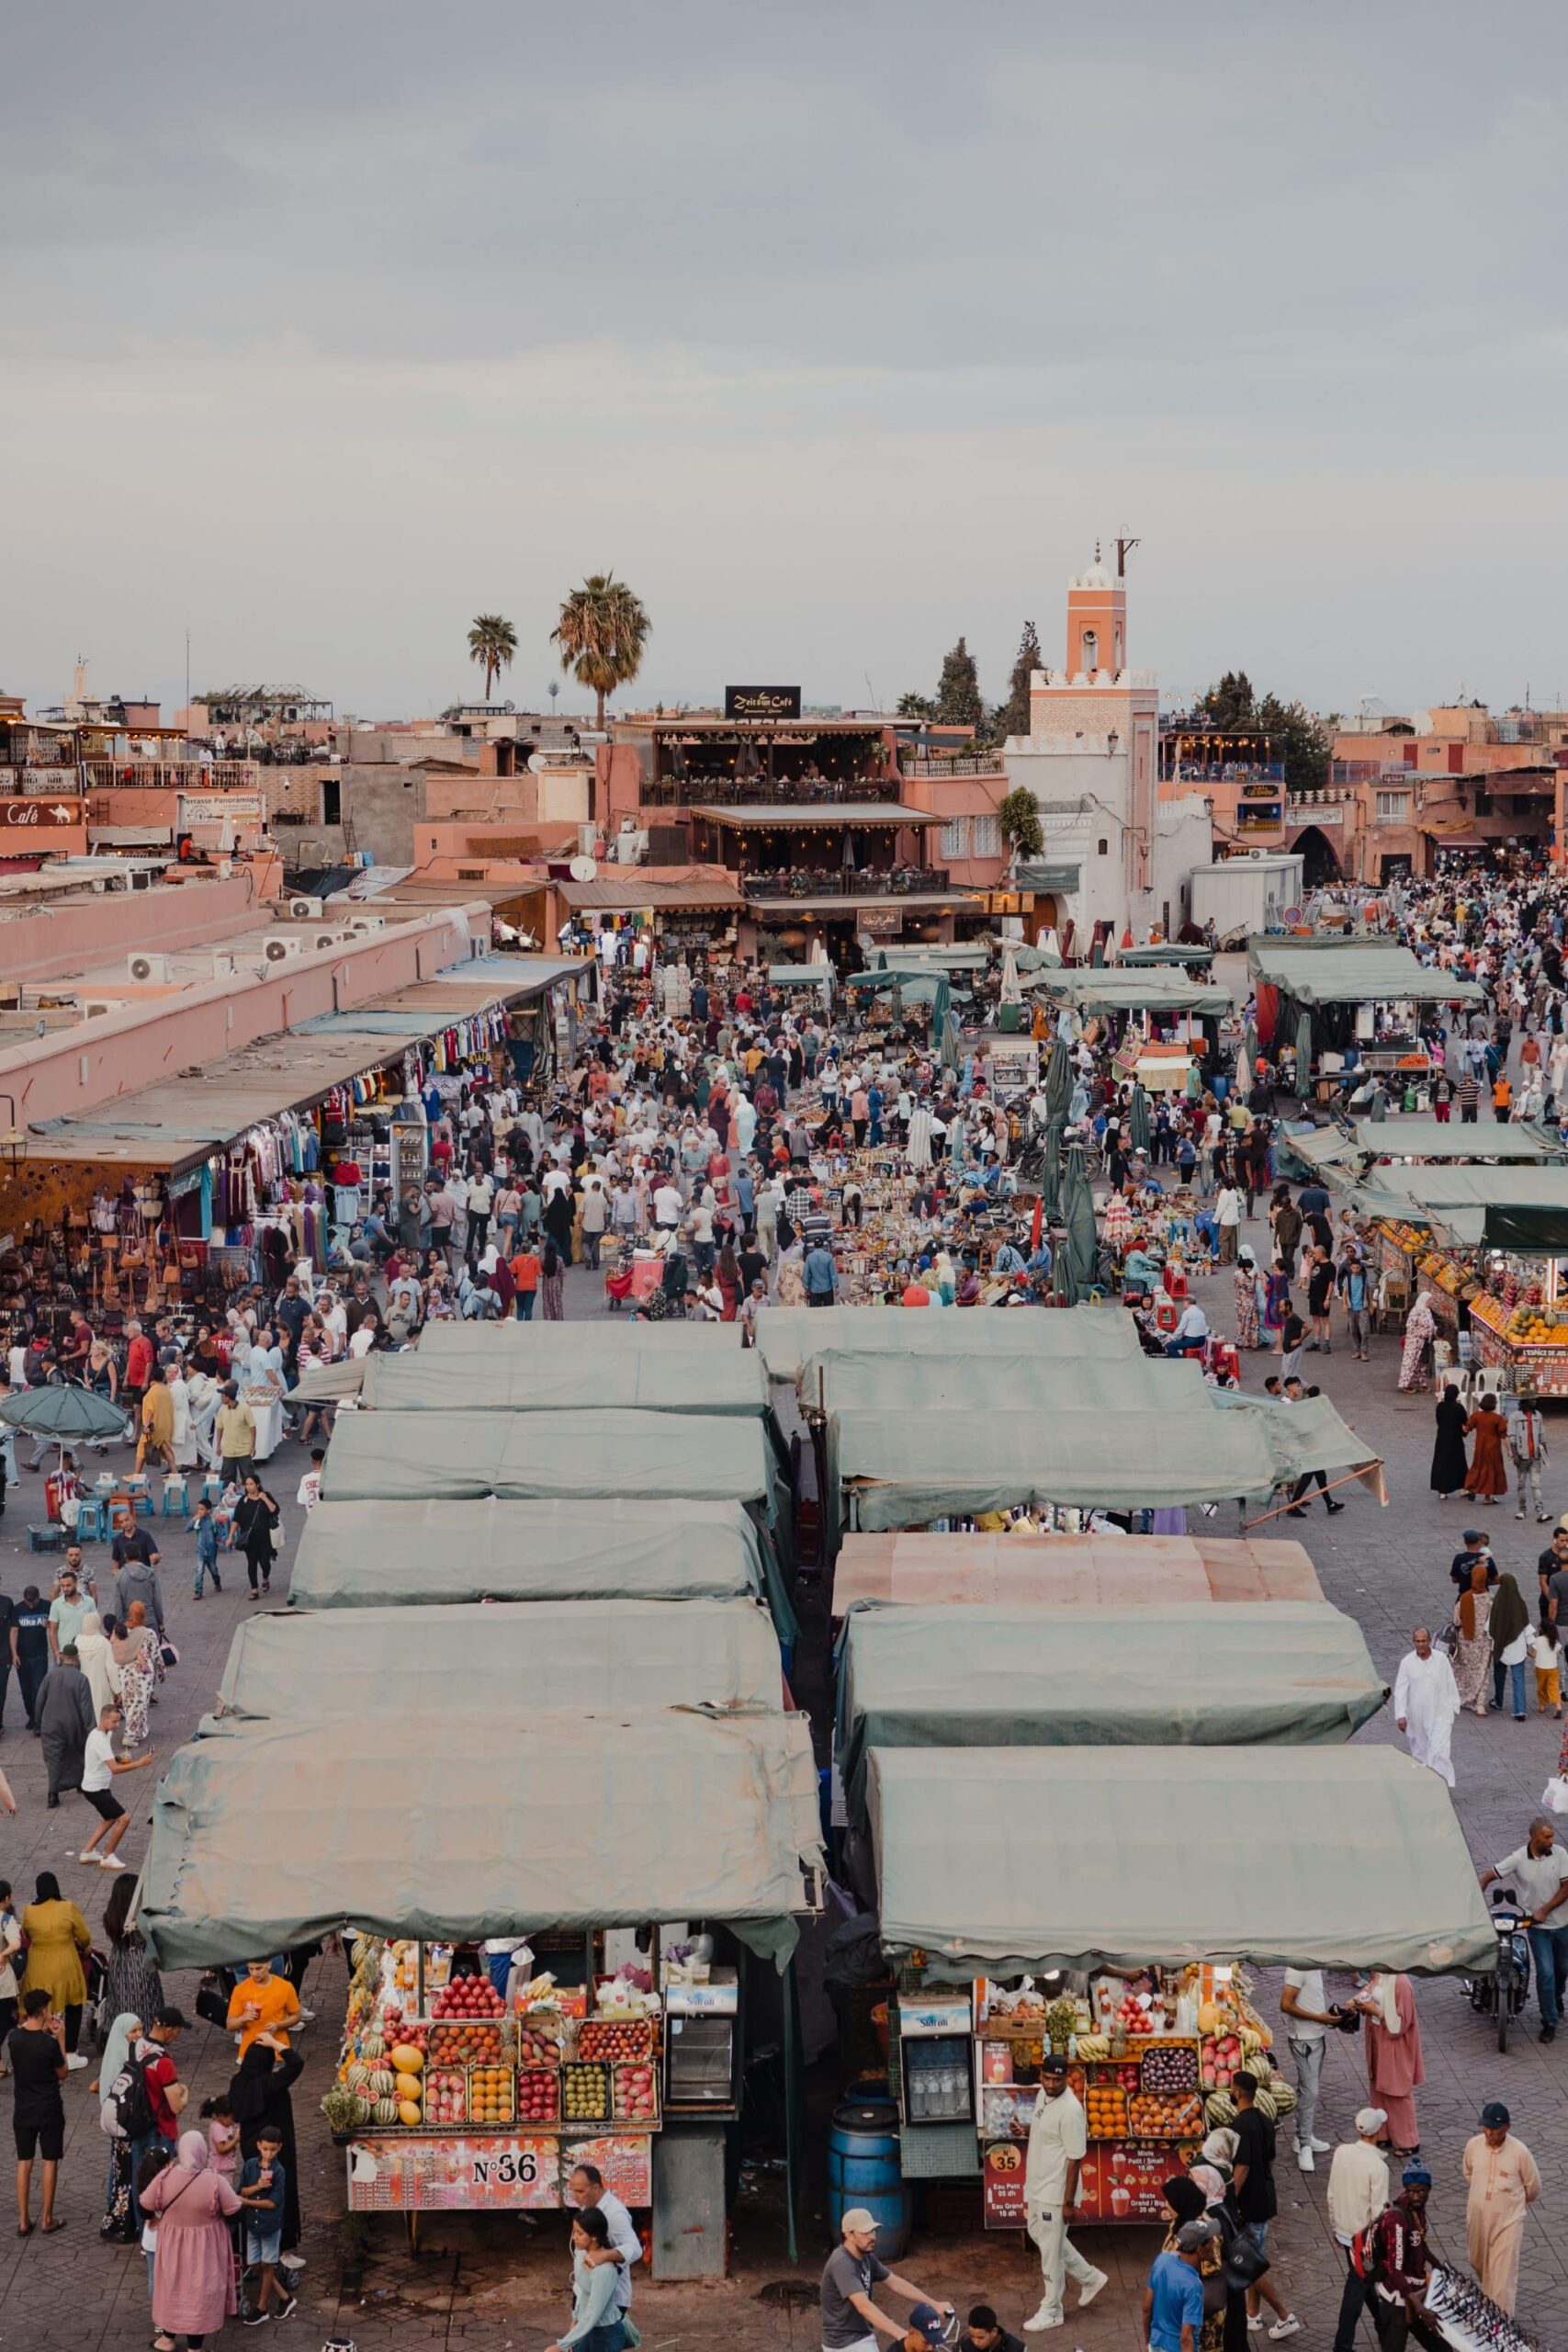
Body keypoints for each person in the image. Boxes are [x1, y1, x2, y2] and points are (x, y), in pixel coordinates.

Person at [1021, 2050, 1107, 2330]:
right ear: (1041, 2076)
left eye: (1057, 2080)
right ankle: (1090, 2277)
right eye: (1047, 2078)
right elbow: (1045, 2132)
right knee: (1041, 2236)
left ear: (1066, 2079)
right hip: (1036, 2184)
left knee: (1050, 2253)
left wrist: (1068, 2201)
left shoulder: (1072, 2111)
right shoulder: (1042, 2095)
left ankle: (1052, 2309)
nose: (1051, 2084)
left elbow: (1074, 2159)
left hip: (1055, 2191)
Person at [141, 2131, 243, 2352]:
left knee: (172, 2289)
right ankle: (195, 2348)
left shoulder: (165, 2177)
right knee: (199, 2294)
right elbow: (235, 2212)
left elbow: (144, 2206)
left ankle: (166, 2340)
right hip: (205, 2249)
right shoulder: (214, 2181)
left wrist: (157, 2219)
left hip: (172, 2247)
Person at [1480, 1816, 1568, 2041]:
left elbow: (1567, 1888)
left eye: (1552, 1836)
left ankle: (1556, 1998)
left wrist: (1545, 1910)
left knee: (1562, 1970)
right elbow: (1491, 1874)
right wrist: (1478, 1891)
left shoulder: (1560, 1854)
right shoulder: (1519, 1858)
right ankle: (1549, 2021)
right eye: (1546, 1837)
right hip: (1537, 1928)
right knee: (1546, 1973)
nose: (1552, 1840)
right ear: (1534, 1837)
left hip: (1562, 1925)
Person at [818, 2207, 952, 2352]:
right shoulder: (842, 2262)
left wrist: (934, 2304)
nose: (873, 2237)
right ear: (849, 2235)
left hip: (863, 2334)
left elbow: (895, 2283)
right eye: (865, 2232)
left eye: (873, 2231)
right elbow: (864, 2307)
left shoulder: (866, 2257)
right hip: (843, 2343)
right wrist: (899, 2333)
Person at [1228, 2070, 1300, 2337]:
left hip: (1249, 2203)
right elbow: (1270, 2160)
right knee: (1254, 2256)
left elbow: (1242, 2168)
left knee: (1249, 2265)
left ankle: (1284, 2315)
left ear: (1237, 2093)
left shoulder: (1240, 2126)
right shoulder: (1266, 2120)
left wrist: (1230, 2199)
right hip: (1265, 2197)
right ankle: (1253, 2315)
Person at [228, 2035, 304, 2253]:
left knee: (255, 2190)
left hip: (251, 2146)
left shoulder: (238, 2083)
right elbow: (297, 2063)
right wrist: (276, 2044)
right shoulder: (270, 2084)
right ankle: (276, 2244)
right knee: (276, 2193)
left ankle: (249, 2244)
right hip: (274, 2149)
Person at [1461, 2101, 1538, 2316]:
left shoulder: (1520, 2152)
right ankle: (1490, 2302)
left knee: (1503, 2276)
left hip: (1508, 2222)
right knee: (1478, 2260)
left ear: (1507, 2127)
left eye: (1494, 2129)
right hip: (1478, 2218)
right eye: (1485, 2127)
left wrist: (1511, 2204)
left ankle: (1501, 2323)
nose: (1488, 2133)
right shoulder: (1474, 2145)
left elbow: (1533, 2187)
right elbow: (1468, 2172)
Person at [1326, 2109, 1389, 2352]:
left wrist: (1335, 2225)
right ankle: (1342, 2346)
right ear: (1379, 2131)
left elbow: (1331, 2193)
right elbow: (1379, 2214)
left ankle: (1382, 2324)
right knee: (1357, 2285)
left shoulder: (1341, 2153)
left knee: (1364, 2279)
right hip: (1363, 2240)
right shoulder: (1378, 2167)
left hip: (1344, 2232)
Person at [7, 1985, 67, 2236]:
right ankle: (47, 2218)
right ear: (43, 2011)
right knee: (49, 2160)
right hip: (49, 2107)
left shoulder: (14, 2038)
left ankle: (23, 2219)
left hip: (23, 2107)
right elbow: (62, 2072)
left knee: (24, 2161)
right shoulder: (49, 2044)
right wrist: (60, 2038)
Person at [19, 1872, 90, 2064]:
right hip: (66, 1966)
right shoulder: (68, 1907)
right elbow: (84, 1936)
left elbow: (26, 1934)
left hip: (38, 1968)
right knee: (73, 2006)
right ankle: (70, 2053)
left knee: (38, 2009)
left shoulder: (29, 1911)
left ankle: (37, 2052)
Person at [78, 1699, 154, 1870]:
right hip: (96, 1789)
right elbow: (114, 1769)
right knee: (124, 1819)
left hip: (94, 1786)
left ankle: (87, 1852)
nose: (117, 1725)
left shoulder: (104, 1734)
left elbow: (107, 1760)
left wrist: (119, 1758)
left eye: (119, 1720)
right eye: (114, 1721)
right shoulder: (99, 1739)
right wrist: (139, 1763)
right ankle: (108, 1855)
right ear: (103, 1719)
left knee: (110, 1818)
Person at [545, 2204, 629, 2352]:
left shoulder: (605, 2270)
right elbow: (583, 2292)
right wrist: (574, 2322)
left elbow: (593, 2313)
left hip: (606, 2335)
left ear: (594, 2236)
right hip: (587, 2330)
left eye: (579, 2233)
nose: (574, 2237)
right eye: (574, 2232)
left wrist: (562, 2345)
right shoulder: (582, 2256)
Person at [1356, 1973, 1423, 2156]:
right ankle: (1382, 2132)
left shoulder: (1401, 1983)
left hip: (1394, 2042)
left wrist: (1374, 2011)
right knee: (1378, 2086)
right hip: (1378, 2036)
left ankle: (1407, 2140)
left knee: (1397, 2090)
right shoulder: (1380, 1975)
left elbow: (1402, 2022)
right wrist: (1357, 2001)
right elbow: (1369, 1990)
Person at [567, 2161, 641, 2324]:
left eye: (580, 2191)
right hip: (584, 2290)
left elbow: (635, 2249)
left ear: (595, 2188)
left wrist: (605, 2255)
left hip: (609, 2297)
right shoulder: (588, 2207)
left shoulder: (614, 2213)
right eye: (573, 2191)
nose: (575, 2196)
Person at [1279, 1968, 1335, 2173]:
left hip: (1315, 2036)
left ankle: (1303, 2136)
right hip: (1305, 2040)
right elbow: (1285, 2004)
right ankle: (1304, 2145)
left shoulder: (1314, 1965)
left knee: (1307, 2090)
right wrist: (1318, 2018)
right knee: (1310, 2092)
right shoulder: (1297, 1969)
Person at [237, 2125, 294, 2323]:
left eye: (273, 2149)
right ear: (258, 2146)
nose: (268, 2153)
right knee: (254, 2264)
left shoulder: (279, 2171)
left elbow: (272, 2203)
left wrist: (247, 2202)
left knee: (267, 2265)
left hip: (270, 2225)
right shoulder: (250, 2166)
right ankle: (285, 2297)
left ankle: (262, 2308)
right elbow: (241, 2190)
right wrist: (256, 2187)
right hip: (253, 2224)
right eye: (265, 2149)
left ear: (279, 2148)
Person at [1393, 1628, 1461, 1785]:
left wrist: (1453, 1705)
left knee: (1439, 1751)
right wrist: (1401, 1715)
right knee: (1420, 1752)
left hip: (1441, 1713)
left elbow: (1450, 1682)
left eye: (1424, 1641)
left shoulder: (1441, 1659)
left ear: (1429, 1641)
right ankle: (1425, 1784)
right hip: (1417, 1715)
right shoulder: (1407, 1663)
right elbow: (1401, 1690)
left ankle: (1442, 1783)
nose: (1421, 1644)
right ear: (1413, 1642)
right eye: (1418, 1641)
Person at [1143, 2218, 1216, 2352]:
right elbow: (1186, 2338)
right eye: (1211, 2242)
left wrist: (1148, 2341)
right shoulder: (1193, 2287)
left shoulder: (1162, 2260)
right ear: (1199, 2249)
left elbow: (1147, 2307)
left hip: (1156, 2343)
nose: (1214, 2244)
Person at [36, 1644, 94, 1808]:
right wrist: (92, 1730)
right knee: (76, 1753)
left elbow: (40, 1700)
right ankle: (80, 1784)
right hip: (73, 1724)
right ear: (76, 1658)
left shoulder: (50, 1676)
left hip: (51, 1724)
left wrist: (37, 1723)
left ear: (62, 1658)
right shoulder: (81, 1679)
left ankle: (53, 1795)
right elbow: (86, 1708)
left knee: (54, 1758)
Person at [225, 1957, 301, 2060]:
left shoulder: (285, 1987)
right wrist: (243, 2019)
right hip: (250, 2055)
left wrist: (278, 2025)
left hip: (277, 2054)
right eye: (250, 1969)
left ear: (269, 1965)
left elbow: (296, 2016)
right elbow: (230, 2024)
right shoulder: (240, 1990)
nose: (254, 1973)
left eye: (258, 1968)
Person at [1451, 1561, 1494, 1716]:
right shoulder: (1490, 1599)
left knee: (1464, 1669)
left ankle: (1465, 1697)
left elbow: (1457, 1621)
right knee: (1482, 1670)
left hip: (1466, 1640)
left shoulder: (1465, 1598)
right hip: (1483, 1641)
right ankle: (1480, 1703)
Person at [1488, 1571, 1531, 1720]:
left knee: (1499, 1677)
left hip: (1500, 1648)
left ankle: (1498, 1701)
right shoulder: (1520, 1604)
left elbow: (1490, 1628)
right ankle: (1520, 1709)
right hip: (1518, 1649)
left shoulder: (1497, 1604)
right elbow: (1526, 1625)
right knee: (1518, 1678)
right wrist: (1533, 1644)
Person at [231, 1472, 280, 1600]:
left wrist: (264, 1498)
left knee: (265, 1562)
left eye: (251, 1484)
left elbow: (275, 1510)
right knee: (251, 1564)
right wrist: (230, 1536)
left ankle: (265, 1577)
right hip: (249, 1538)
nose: (249, 1487)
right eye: (247, 1484)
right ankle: (254, 1589)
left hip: (264, 1537)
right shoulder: (243, 1501)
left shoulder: (266, 1496)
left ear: (257, 1485)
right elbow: (236, 1519)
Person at [1462, 1392, 1509, 1502]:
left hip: (1480, 1447)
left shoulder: (1476, 1416)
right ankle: (1487, 1497)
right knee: (1491, 1471)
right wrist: (1509, 1450)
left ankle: (1471, 1487)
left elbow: (1466, 1428)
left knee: (1477, 1467)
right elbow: (1503, 1437)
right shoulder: (1498, 1418)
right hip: (1493, 1448)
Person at [1508, 1398, 1550, 1521]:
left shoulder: (1538, 1416)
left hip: (1535, 1456)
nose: (1535, 1402)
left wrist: (1545, 1454)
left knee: (1536, 1485)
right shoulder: (1515, 1416)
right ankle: (1521, 1510)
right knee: (1521, 1485)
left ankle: (1540, 1511)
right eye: (1532, 1400)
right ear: (1526, 1402)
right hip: (1521, 1457)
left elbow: (1542, 1435)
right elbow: (1512, 1437)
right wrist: (1515, 1455)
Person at [1430, 1385, 1469, 1499]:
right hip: (1455, 1439)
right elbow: (1465, 1422)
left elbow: (1439, 1421)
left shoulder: (1440, 1406)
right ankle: (1463, 1488)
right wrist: (1464, 1433)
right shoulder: (1458, 1408)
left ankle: (1443, 1491)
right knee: (1459, 1464)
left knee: (1442, 1463)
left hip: (1442, 1438)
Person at [1398, 1293, 1437, 1392]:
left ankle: (1422, 1383)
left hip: (1424, 1342)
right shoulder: (1416, 1311)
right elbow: (1410, 1326)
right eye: (1430, 1300)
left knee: (1422, 1364)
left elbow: (1431, 1325)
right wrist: (1422, 1333)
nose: (1432, 1302)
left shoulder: (1427, 1311)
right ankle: (1405, 1384)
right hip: (1414, 1342)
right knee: (1410, 1363)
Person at [191, 1498, 221, 1599]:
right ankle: (198, 1591)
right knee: (200, 1570)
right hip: (200, 1550)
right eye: (198, 1509)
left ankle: (217, 1582)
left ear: (208, 1510)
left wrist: (219, 1541)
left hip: (211, 1551)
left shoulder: (213, 1521)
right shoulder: (197, 1521)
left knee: (213, 1569)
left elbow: (220, 1533)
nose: (199, 1511)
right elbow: (186, 1529)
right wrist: (193, 1520)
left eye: (202, 1509)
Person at [959, 2308, 1024, 2352]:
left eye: (980, 2338)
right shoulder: (966, 2346)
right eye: (972, 2336)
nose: (975, 2342)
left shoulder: (1016, 2349)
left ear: (994, 2332)